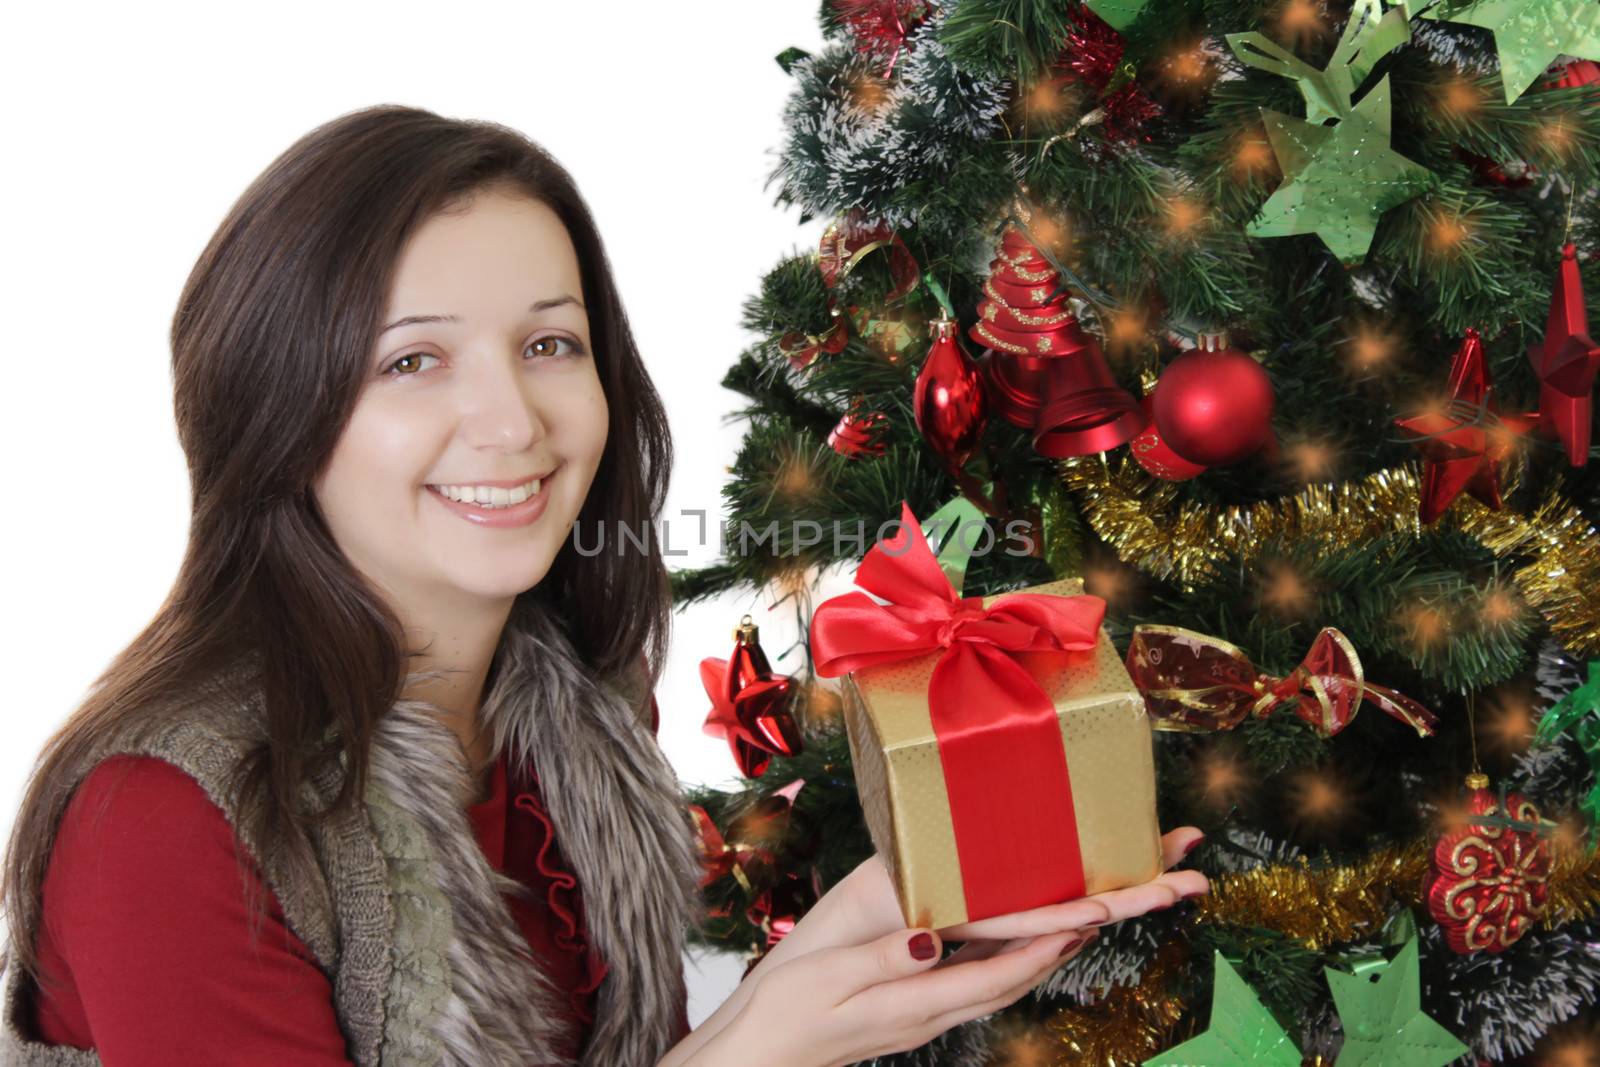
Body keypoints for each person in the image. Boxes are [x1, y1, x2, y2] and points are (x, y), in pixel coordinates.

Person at [0, 104, 1207, 1067]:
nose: (511, 418)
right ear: (278, 408)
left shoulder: (577, 713)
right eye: (413, 359)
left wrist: (839, 961)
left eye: (548, 344)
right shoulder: (163, 818)